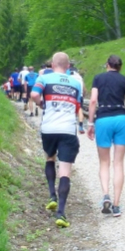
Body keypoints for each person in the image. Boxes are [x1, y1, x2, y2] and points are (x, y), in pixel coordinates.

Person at [31, 52, 83, 228]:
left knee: (50, 158)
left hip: (49, 128)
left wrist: (41, 104)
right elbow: (77, 106)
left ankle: (52, 195)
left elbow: (34, 94)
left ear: (52, 65)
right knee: (65, 171)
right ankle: (61, 213)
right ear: (68, 66)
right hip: (67, 129)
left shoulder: (44, 78)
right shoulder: (76, 83)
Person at [87, 55, 125, 217]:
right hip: (121, 119)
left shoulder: (98, 78)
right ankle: (116, 205)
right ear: (120, 67)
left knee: (104, 162)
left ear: (107, 65)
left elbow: (93, 101)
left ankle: (105, 195)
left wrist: (90, 123)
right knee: (118, 163)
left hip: (103, 119)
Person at [68, 62, 86, 134]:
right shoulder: (80, 77)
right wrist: (83, 95)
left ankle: (72, 125)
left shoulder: (68, 76)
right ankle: (81, 125)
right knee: (80, 109)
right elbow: (84, 88)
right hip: (80, 95)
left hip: (71, 95)